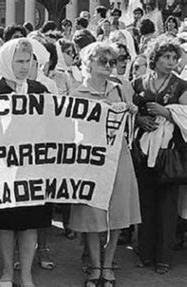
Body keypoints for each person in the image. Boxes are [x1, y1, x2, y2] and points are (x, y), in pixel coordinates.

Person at [0, 38, 52, 287]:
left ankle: (27, 274)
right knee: (5, 224)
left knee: (30, 223)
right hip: (2, 168)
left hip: (32, 168)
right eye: (19, 61)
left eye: (28, 60)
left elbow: (52, 126)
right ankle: (8, 272)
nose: (24, 66)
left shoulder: (40, 90)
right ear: (7, 62)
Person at [69, 42, 141, 287]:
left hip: (118, 156)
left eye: (112, 62)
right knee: (91, 213)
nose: (109, 66)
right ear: (89, 64)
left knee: (118, 211)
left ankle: (108, 264)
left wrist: (131, 110)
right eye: (104, 62)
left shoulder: (121, 88)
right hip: (89, 159)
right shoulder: (77, 93)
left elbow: (133, 117)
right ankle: (95, 265)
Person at [132, 38, 187, 275]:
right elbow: (127, 109)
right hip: (142, 151)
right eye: (166, 57)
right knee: (145, 202)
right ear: (155, 58)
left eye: (174, 58)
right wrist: (138, 120)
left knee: (167, 205)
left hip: (169, 152)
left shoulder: (181, 85)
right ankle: (145, 252)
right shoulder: (138, 82)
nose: (171, 62)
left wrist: (167, 112)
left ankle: (163, 257)